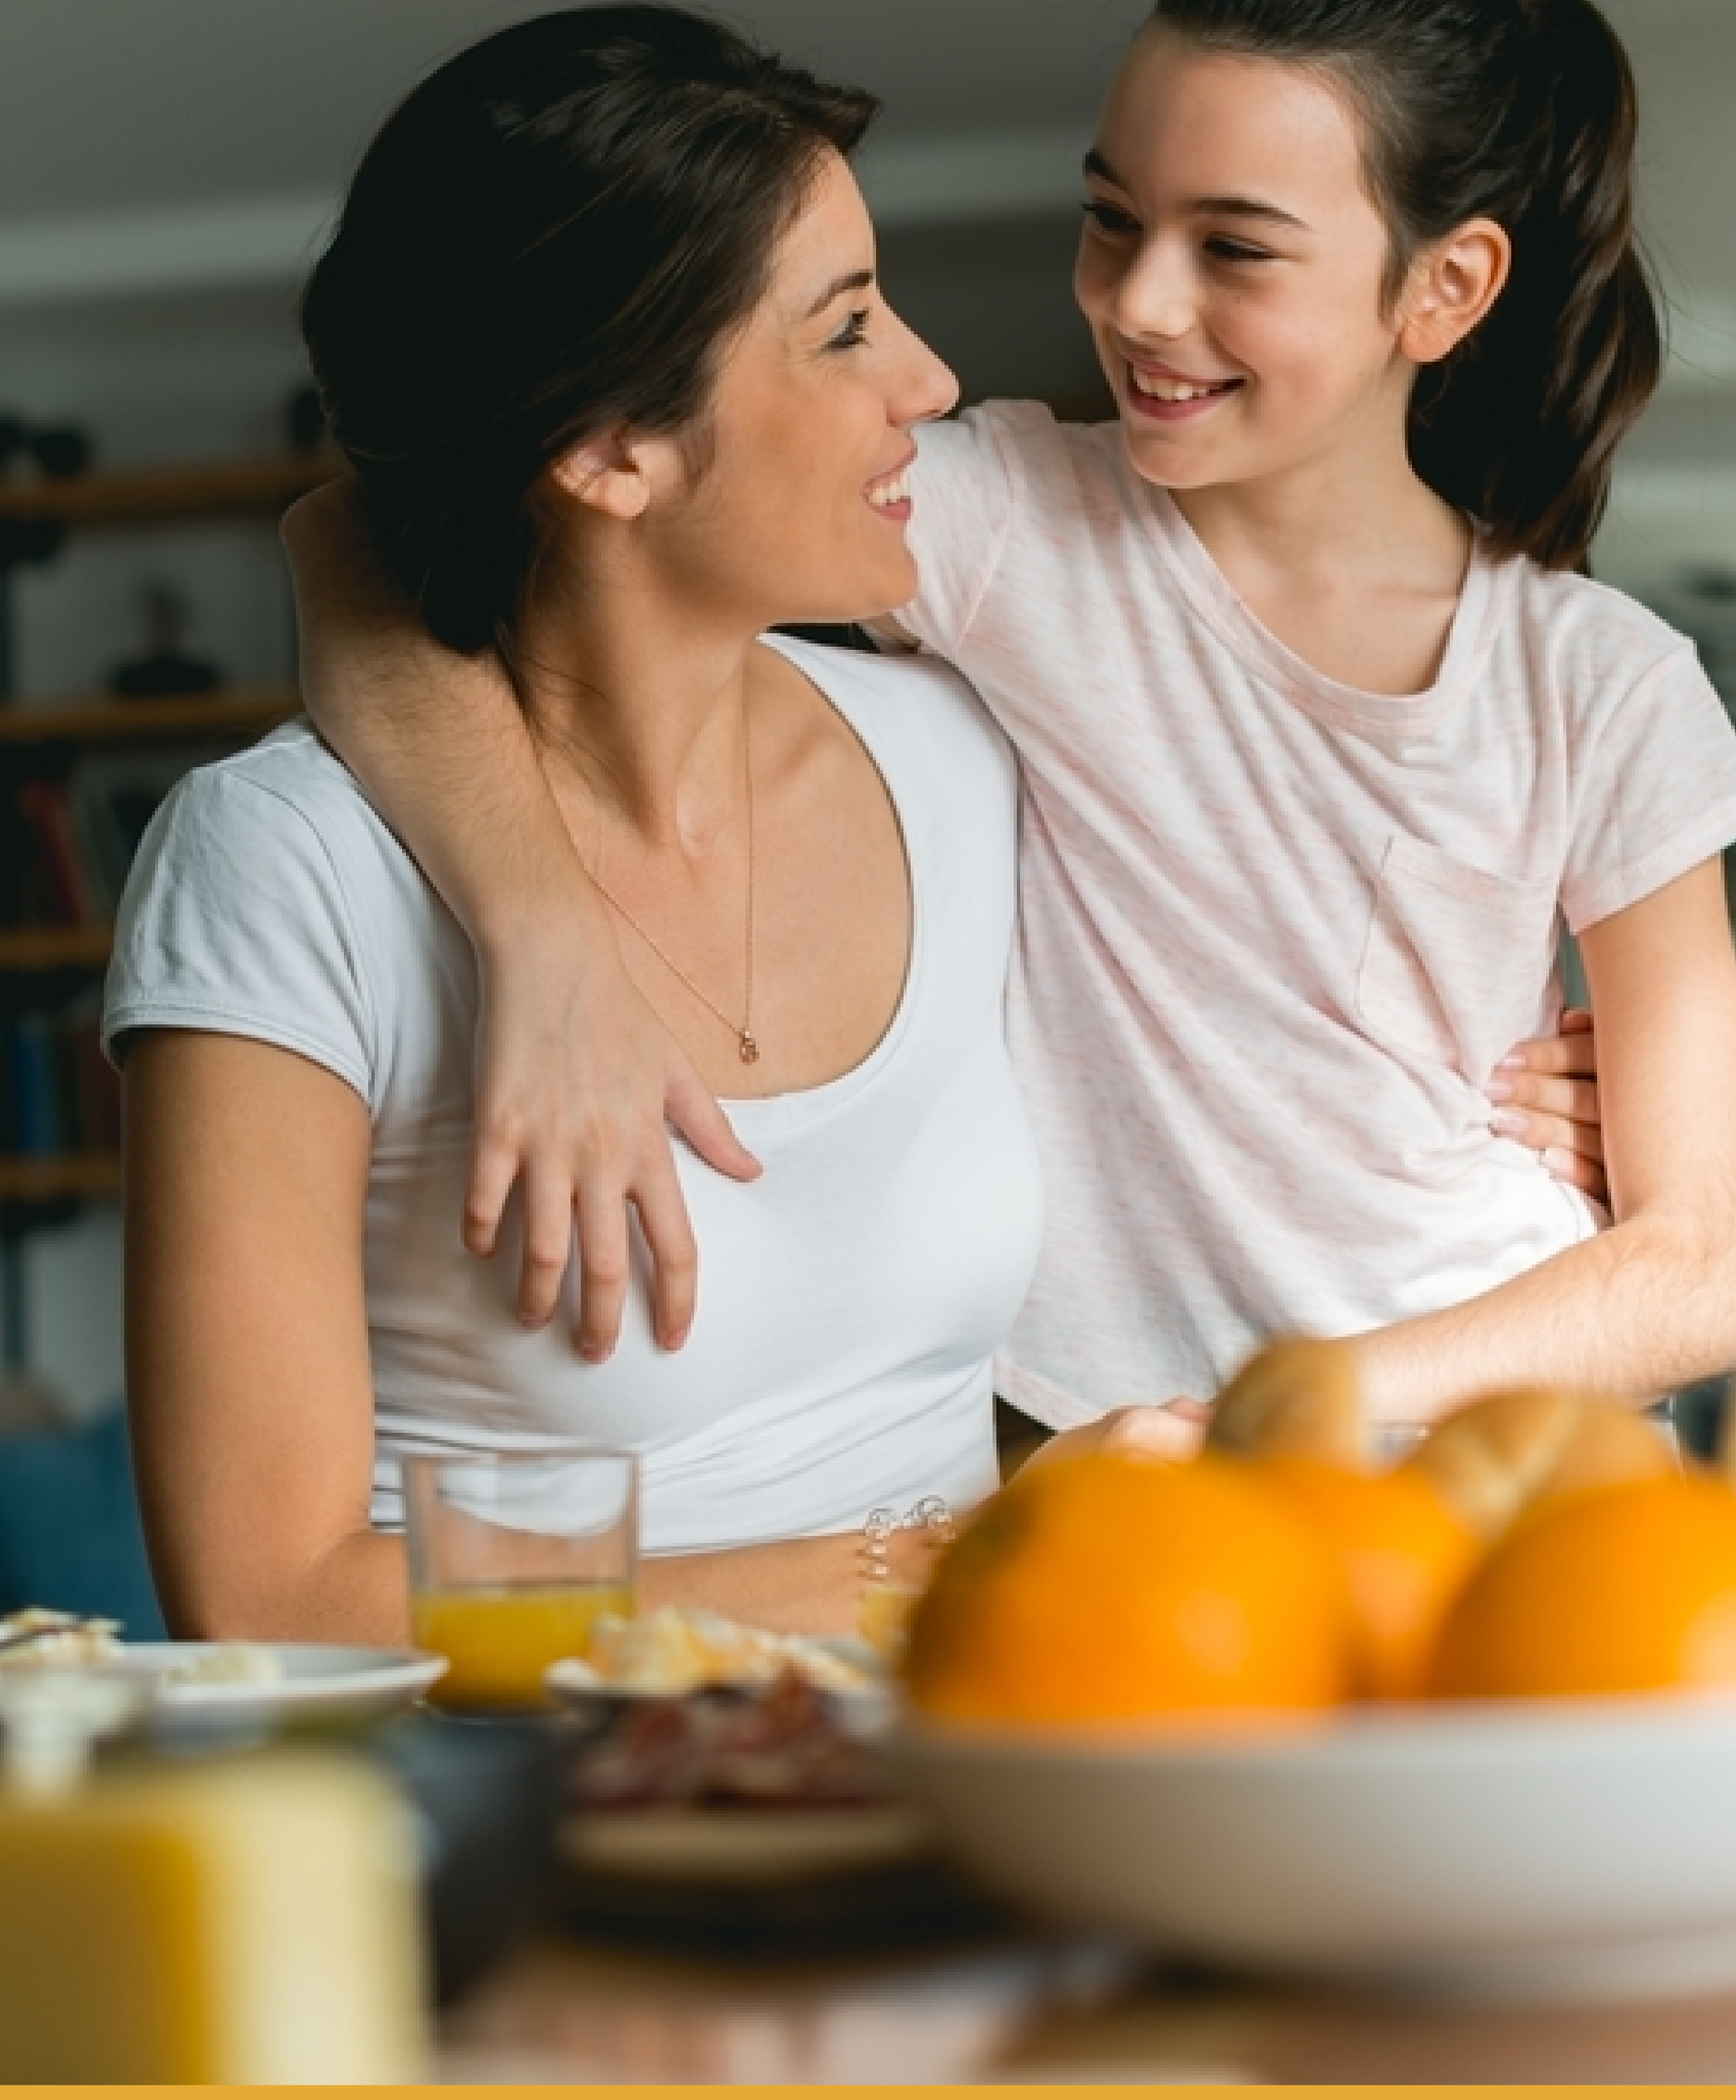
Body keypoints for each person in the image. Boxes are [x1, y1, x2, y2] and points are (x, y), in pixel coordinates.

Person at [286, 0, 1736, 1451]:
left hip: (1496, 1453)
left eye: (1232, 247)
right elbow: (358, 533)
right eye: (1111, 218)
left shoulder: (1602, 685)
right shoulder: (1000, 524)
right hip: (1090, 1462)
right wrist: (544, 939)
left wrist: (1288, 1412)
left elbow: (1701, 1262)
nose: (1138, 302)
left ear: (1445, 288)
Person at [106, 8, 1038, 1640]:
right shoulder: (285, 868)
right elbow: (264, 1600)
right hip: (509, 1819)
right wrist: (900, 1578)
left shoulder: (964, 753)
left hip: (951, 1780)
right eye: (842, 331)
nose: (932, 381)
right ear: (611, 450)